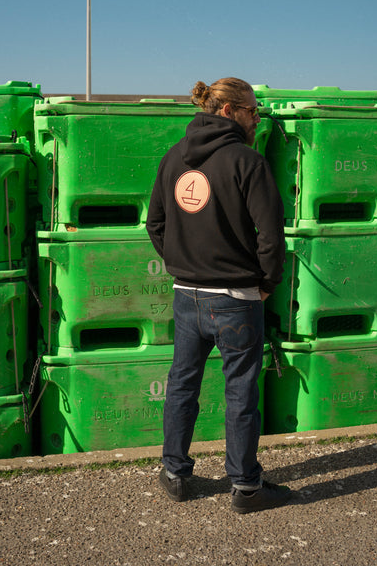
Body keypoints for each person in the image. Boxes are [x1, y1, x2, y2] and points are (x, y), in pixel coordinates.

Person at [146, 77, 298, 513]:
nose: (257, 119)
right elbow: (271, 235)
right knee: (240, 393)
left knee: (181, 385)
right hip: (235, 297)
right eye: (252, 111)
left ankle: (174, 474)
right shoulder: (246, 162)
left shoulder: (173, 158)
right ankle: (247, 488)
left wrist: (181, 262)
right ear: (228, 111)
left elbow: (155, 224)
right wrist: (266, 283)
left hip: (186, 295)